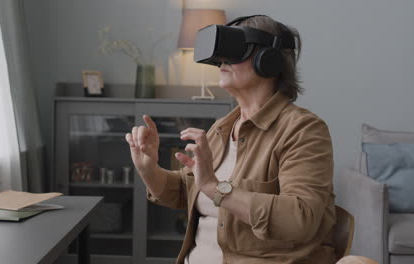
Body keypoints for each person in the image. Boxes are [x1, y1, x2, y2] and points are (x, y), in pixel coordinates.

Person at [125, 14, 337, 264]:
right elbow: (185, 191)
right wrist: (149, 169)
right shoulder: (222, 128)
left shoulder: (303, 130)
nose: (222, 61)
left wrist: (217, 189)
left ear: (267, 60)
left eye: (236, 50)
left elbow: (301, 219)